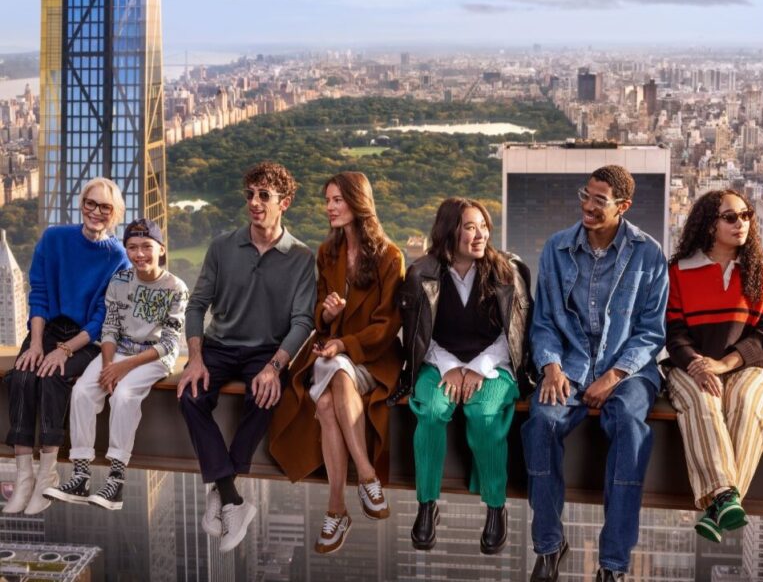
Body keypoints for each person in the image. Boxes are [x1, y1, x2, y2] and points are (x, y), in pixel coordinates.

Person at [522, 165, 668, 582]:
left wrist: (614, 375)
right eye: (584, 195)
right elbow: (545, 320)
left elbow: (651, 332)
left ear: (623, 207)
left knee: (628, 426)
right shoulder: (556, 248)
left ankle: (613, 563)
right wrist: (550, 366)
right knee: (541, 424)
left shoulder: (649, 254)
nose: (587, 205)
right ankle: (549, 545)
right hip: (567, 365)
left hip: (628, 371)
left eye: (598, 200)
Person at [177, 161, 315, 553]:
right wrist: (196, 358)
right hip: (219, 346)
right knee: (189, 397)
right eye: (250, 195)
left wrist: (275, 366)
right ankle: (232, 496)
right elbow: (197, 304)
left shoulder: (302, 258)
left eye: (264, 196)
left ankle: (223, 492)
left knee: (265, 396)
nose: (254, 203)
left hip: (266, 352)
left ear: (284, 202)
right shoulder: (223, 246)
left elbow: (303, 322)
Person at [270, 171, 404, 554]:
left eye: (336, 200)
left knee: (335, 387)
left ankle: (342, 503)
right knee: (329, 396)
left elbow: (387, 325)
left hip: (372, 358)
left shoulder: (390, 256)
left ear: (357, 203)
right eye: (327, 200)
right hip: (331, 351)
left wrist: (344, 342)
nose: (328, 208)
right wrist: (327, 316)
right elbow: (316, 314)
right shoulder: (327, 253)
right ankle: (360, 482)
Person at [393, 197, 532, 555]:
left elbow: (512, 336)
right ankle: (427, 504)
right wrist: (450, 366)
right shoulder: (421, 273)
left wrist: (477, 368)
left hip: (494, 364)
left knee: (484, 416)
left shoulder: (507, 272)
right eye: (470, 227)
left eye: (483, 226)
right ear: (448, 231)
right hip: (437, 362)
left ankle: (495, 506)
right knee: (432, 410)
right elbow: (419, 335)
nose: (480, 234)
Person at [43, 219, 188, 511]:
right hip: (118, 351)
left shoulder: (176, 287)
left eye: (147, 247)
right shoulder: (120, 281)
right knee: (83, 391)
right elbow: (109, 329)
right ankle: (81, 475)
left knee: (123, 395)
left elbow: (170, 344)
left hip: (154, 357)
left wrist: (123, 369)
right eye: (132, 248)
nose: (139, 254)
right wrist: (108, 364)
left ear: (161, 249)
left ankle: (115, 482)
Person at [3, 177, 129, 515]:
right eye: (91, 203)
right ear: (81, 203)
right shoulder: (54, 238)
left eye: (105, 207)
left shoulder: (118, 258)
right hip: (48, 325)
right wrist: (36, 343)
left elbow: (103, 317)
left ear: (115, 213)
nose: (96, 212)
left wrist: (65, 350)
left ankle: (47, 476)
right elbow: (40, 292)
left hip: (85, 336)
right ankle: (24, 476)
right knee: (22, 376)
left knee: (54, 377)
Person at [664, 189, 763, 543]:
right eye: (730, 217)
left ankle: (719, 503)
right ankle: (725, 501)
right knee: (703, 402)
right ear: (708, 224)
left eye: (746, 215)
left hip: (752, 365)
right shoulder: (680, 272)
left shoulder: (760, 271)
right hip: (692, 364)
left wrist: (727, 362)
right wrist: (700, 364)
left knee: (747, 405)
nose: (741, 223)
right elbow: (673, 331)